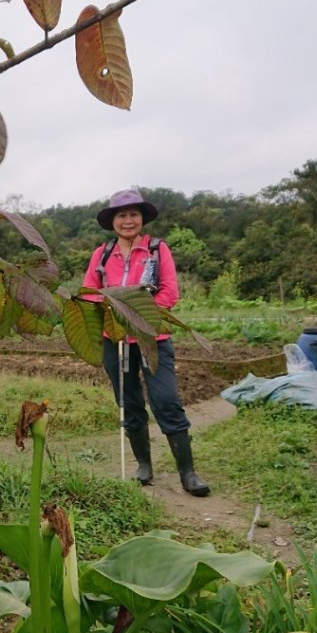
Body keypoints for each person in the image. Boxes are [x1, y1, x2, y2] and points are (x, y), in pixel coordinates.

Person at [83, 189, 210, 497]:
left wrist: (141, 320)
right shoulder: (102, 254)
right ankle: (144, 467)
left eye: (133, 214)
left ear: (142, 218)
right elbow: (89, 291)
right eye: (122, 215)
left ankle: (188, 473)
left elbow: (169, 292)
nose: (128, 220)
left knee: (165, 400)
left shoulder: (157, 249)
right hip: (114, 339)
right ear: (113, 221)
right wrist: (113, 313)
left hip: (153, 337)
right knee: (128, 402)